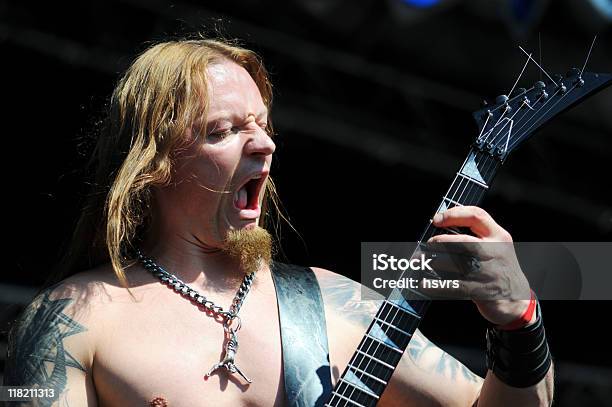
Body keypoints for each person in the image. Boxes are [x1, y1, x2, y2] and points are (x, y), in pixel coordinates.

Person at [3, 37, 554, 406]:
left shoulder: (335, 305)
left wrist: (519, 322)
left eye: (263, 125)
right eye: (224, 129)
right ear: (155, 161)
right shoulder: (75, 319)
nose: (265, 143)